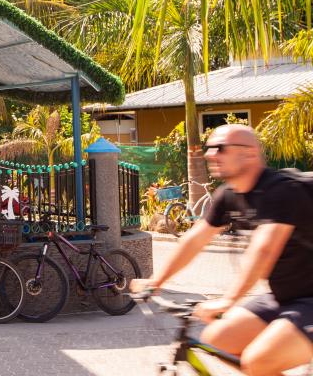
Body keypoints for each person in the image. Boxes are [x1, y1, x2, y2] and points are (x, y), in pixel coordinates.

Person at [132, 124, 313, 375]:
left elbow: (264, 250)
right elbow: (194, 239)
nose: (209, 154)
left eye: (220, 148)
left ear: (249, 153)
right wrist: (156, 282)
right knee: (218, 337)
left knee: (259, 360)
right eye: (209, 148)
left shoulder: (281, 191)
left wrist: (229, 300)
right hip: (285, 297)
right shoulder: (228, 195)